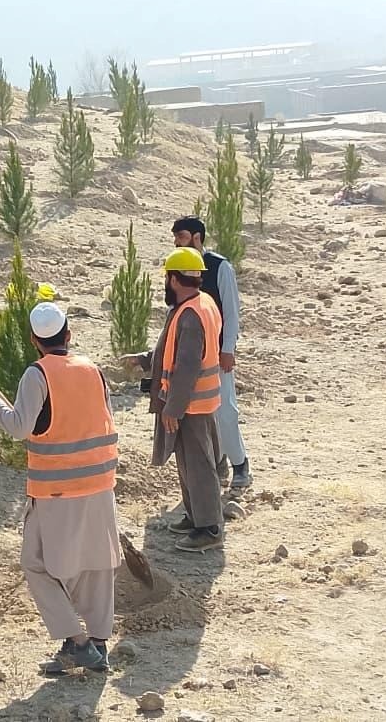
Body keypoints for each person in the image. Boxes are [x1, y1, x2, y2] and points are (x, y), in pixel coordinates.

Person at [0, 302, 120, 672]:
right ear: (68, 335)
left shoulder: (37, 375)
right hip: (100, 484)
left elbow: (20, 427)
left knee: (35, 563)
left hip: (56, 489)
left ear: (34, 340)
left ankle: (76, 641)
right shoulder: (93, 370)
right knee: (98, 564)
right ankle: (99, 645)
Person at [123, 247, 224, 553]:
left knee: (199, 466)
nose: (165, 283)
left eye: (167, 277)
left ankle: (209, 528)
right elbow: (172, 349)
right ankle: (196, 518)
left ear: (175, 279)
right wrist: (144, 360)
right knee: (189, 464)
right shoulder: (198, 304)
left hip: (190, 404)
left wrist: (174, 407)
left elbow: (188, 365)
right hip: (194, 403)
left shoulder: (191, 313)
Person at [171, 216, 251, 488]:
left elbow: (231, 311)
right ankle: (215, 468)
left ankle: (240, 464)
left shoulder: (219, 267)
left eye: (180, 236)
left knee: (225, 411)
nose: (176, 242)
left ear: (196, 237)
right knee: (198, 417)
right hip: (189, 358)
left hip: (216, 356)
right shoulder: (177, 269)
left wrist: (228, 348)